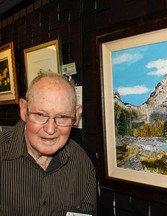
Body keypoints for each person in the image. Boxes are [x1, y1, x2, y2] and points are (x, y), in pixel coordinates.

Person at [0, 73, 97, 216]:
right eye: (40, 115)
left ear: (76, 115)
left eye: (62, 117)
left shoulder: (82, 165)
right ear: (23, 109)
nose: (50, 129)